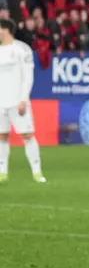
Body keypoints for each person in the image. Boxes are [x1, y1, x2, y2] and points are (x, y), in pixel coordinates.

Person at [0, 18, 44, 184]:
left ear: (5, 30)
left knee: (27, 135)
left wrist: (23, 99)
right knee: (2, 137)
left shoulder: (21, 49)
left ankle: (37, 172)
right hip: (0, 102)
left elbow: (28, 76)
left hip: (17, 101)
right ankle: (2, 172)